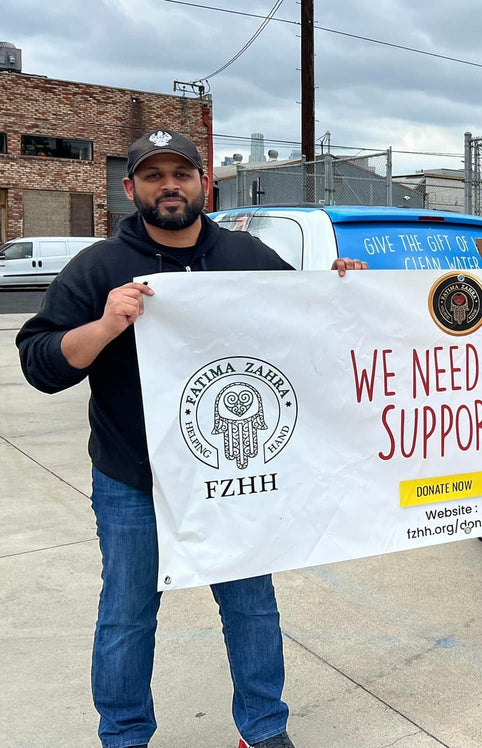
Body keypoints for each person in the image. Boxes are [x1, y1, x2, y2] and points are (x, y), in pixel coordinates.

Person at [16, 129, 366, 748]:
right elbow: (41, 364)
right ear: (131, 189)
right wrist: (105, 325)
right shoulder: (99, 267)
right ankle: (124, 735)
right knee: (127, 614)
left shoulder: (246, 256)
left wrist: (340, 286)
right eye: (153, 176)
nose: (169, 186)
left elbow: (313, 326)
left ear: (204, 182)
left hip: (232, 476)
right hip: (134, 478)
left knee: (251, 607)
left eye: (181, 173)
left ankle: (263, 730)